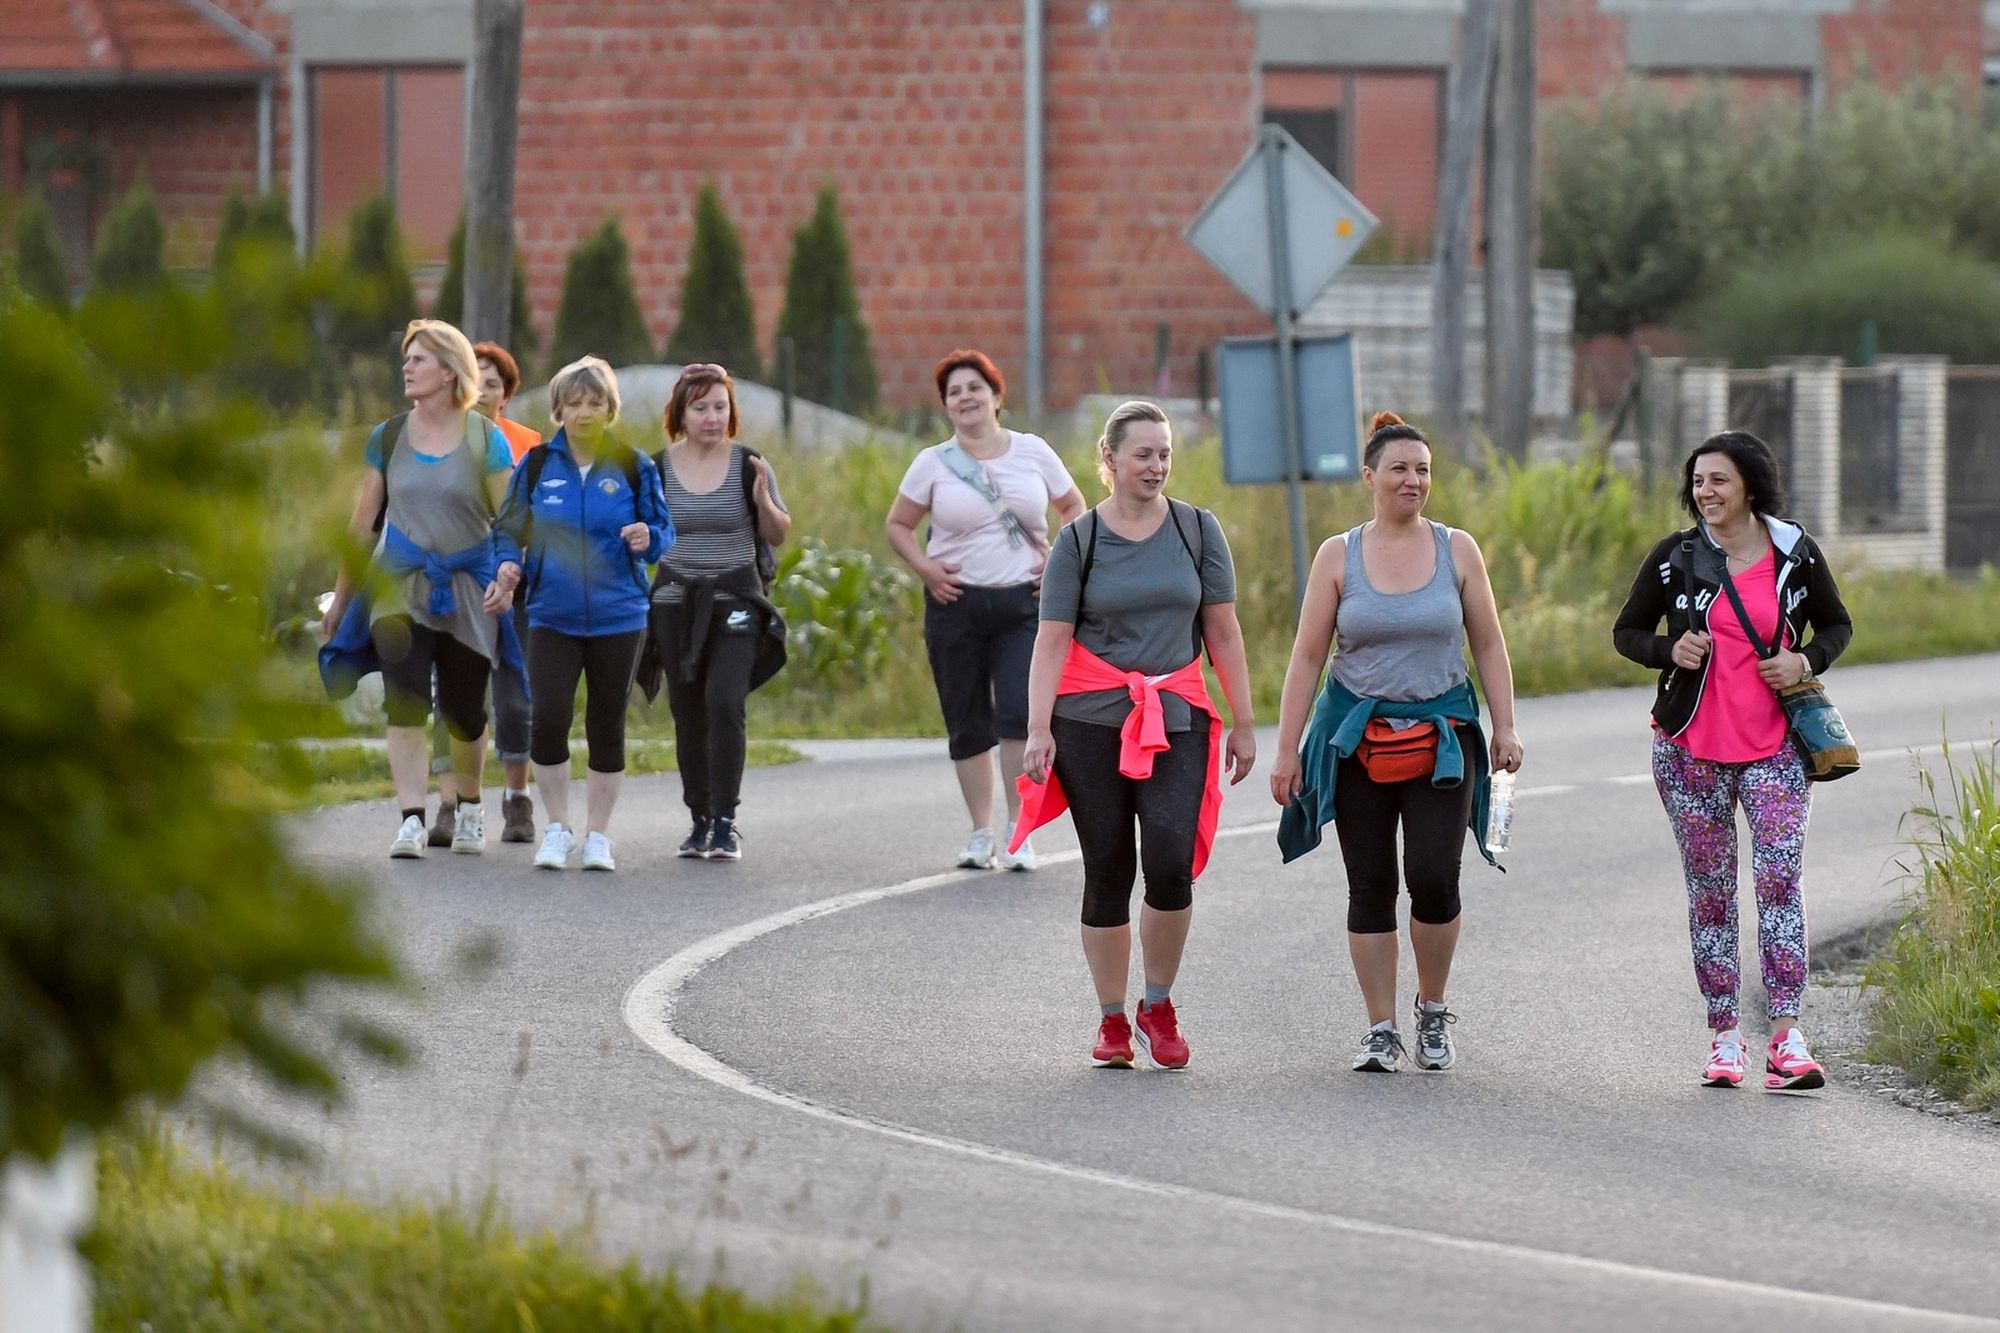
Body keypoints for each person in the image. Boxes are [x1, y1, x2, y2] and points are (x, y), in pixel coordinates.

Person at [1270, 412, 1521, 1075]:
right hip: (1358, 740)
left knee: (1435, 878)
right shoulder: (1338, 554)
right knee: (1371, 884)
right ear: (1370, 477)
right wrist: (1287, 747)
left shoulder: (1457, 548)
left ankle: (1432, 1009)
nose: (1414, 480)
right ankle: (1379, 1027)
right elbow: (1305, 659)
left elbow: (1489, 643)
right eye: (1400, 468)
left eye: (1424, 469)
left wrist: (1507, 726)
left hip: (1443, 738)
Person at [1013, 401, 1256, 1071]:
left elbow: (1224, 632)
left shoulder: (1198, 531)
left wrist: (1242, 719)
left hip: (1176, 714)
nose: (1156, 464)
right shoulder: (1080, 541)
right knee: (1109, 866)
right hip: (1089, 721)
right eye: (1143, 453)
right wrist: (1038, 730)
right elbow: (1052, 640)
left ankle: (1157, 1002)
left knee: (1172, 860)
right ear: (1110, 458)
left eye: (1165, 453)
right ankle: (1112, 1019)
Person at [1613, 430, 1852, 1091]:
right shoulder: (1676, 560)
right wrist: (1670, 651)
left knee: (1780, 883)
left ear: (1750, 484)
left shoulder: (1794, 554)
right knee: (1711, 892)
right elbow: (1626, 631)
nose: (1704, 492)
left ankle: (1786, 1036)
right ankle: (1724, 1036)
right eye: (1697, 481)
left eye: (1717, 480)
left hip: (1775, 744)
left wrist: (1804, 659)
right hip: (1689, 749)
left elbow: (1837, 624)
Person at [320, 319, 518, 859]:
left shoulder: (484, 437)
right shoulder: (388, 436)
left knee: (463, 710)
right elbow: (362, 526)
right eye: (406, 358)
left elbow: (512, 520)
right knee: (404, 698)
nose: (406, 367)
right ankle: (411, 816)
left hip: (468, 586)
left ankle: (471, 807)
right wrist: (340, 600)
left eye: (419, 359)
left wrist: (508, 574)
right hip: (399, 584)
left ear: (451, 371)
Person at [886, 349, 1086, 872]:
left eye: (975, 387)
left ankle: (1020, 833)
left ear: (997, 396)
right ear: (946, 406)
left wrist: (1060, 564)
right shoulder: (932, 462)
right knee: (966, 718)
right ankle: (980, 833)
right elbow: (898, 526)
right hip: (955, 605)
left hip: (1025, 603)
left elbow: (1074, 508)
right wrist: (926, 570)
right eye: (954, 392)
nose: (966, 398)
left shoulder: (1033, 452)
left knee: (1019, 715)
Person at [493, 356, 672, 873]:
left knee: (606, 723)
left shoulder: (635, 466)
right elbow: (508, 529)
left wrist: (648, 539)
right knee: (547, 717)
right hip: (552, 611)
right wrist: (507, 564)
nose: (585, 412)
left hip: (621, 614)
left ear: (610, 408)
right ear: (558, 410)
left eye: (595, 402)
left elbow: (664, 531)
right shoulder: (536, 466)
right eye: (574, 403)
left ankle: (598, 835)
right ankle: (557, 827)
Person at [650, 363, 790, 861]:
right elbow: (642, 535)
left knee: (724, 703)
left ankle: (726, 822)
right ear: (680, 414)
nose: (711, 417)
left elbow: (777, 534)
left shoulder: (751, 464)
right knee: (686, 711)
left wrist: (763, 504)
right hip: (674, 602)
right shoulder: (657, 468)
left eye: (719, 407)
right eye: (700, 407)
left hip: (736, 600)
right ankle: (699, 819)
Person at [429, 340, 542, 848]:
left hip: (514, 581)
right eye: (475, 380)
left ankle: (517, 799)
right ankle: (449, 803)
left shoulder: (529, 444)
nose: (482, 391)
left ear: (505, 395)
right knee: (453, 697)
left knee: (515, 700)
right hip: (453, 582)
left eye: (492, 383)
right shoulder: (436, 438)